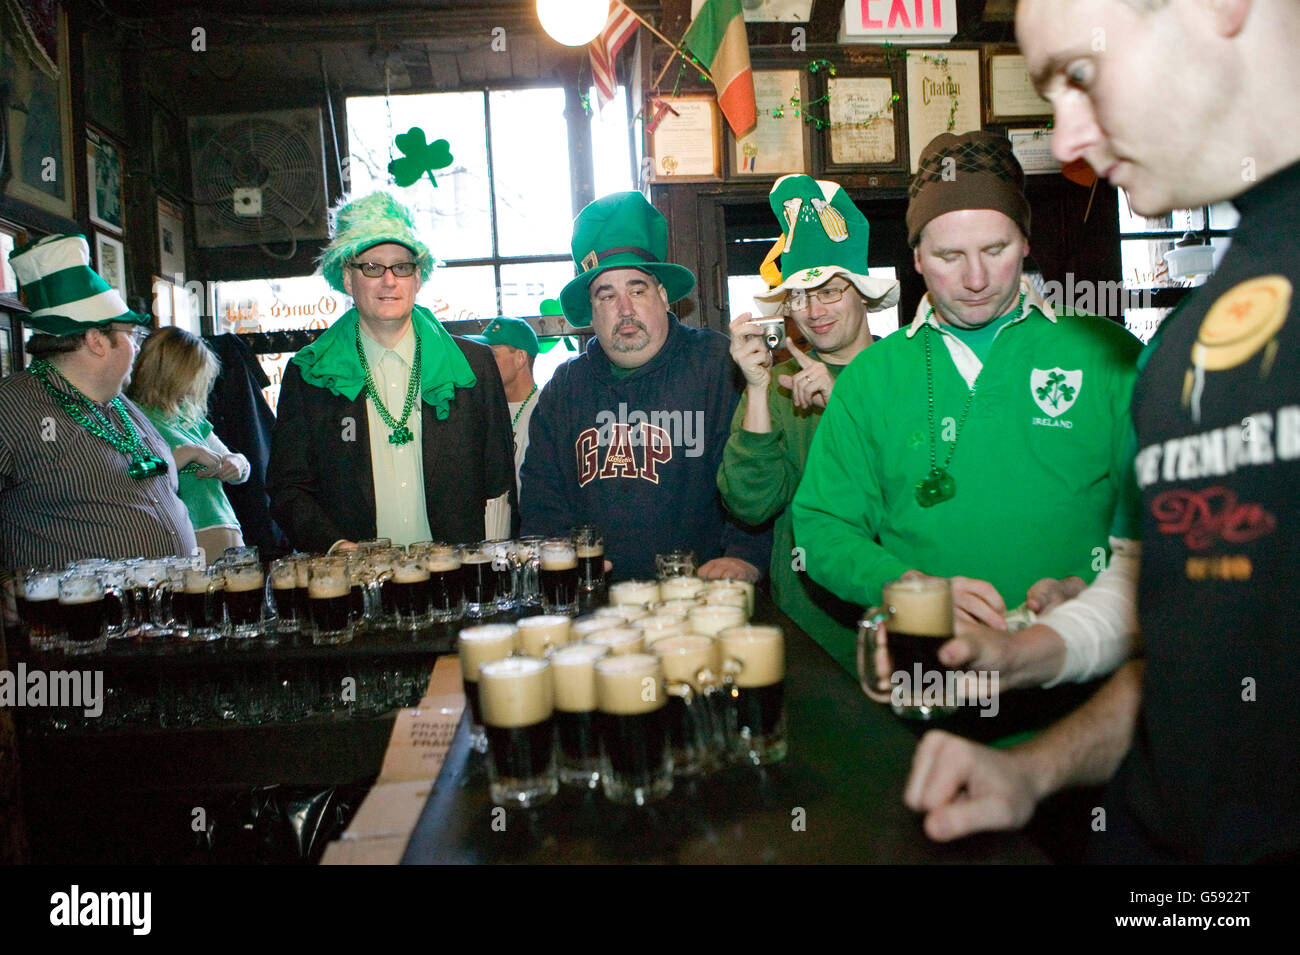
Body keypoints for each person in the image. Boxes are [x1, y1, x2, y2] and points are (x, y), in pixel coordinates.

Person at [903, 0, 1300, 864]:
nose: (1070, 142)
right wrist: (1034, 766)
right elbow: (1194, 653)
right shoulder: (1184, 350)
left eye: (1079, 76)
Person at [791, 130, 1141, 663]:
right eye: (950, 255)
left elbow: (1171, 523)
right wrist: (906, 588)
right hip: (930, 682)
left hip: (1080, 682)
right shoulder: (871, 378)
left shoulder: (1108, 356)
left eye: (995, 249)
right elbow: (821, 526)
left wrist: (1092, 590)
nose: (976, 278)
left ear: (1026, 243)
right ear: (916, 258)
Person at [519, 191, 769, 581]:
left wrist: (745, 556)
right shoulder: (565, 389)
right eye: (607, 295)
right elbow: (541, 502)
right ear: (591, 311)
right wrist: (559, 557)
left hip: (701, 602)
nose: (625, 309)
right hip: (596, 609)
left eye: (637, 289)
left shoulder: (718, 365)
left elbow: (757, 476)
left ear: (663, 296)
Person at [718, 174, 900, 672]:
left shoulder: (908, 368)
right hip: (804, 632)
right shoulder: (777, 385)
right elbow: (751, 504)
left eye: (830, 291)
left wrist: (843, 402)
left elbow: (923, 489)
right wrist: (756, 387)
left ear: (862, 293)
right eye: (799, 296)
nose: (813, 311)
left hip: (901, 625)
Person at [267, 192, 517, 552]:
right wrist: (336, 546)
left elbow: (500, 485)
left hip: (459, 582)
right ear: (348, 279)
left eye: (401, 266)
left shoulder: (474, 366)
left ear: (418, 278)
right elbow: (287, 488)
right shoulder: (309, 375)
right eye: (372, 267)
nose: (389, 281)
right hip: (356, 587)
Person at [0, 234, 197, 568]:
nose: (137, 348)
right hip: (79, 614)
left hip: (165, 609)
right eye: (130, 336)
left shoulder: (122, 404)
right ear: (96, 341)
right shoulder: (13, 406)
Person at [127, 326, 252, 561]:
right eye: (189, 379)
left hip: (227, 530)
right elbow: (136, 472)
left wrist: (237, 463)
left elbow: (238, 466)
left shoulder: (188, 415)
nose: (193, 389)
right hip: (183, 537)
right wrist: (189, 453)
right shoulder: (133, 416)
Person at [470, 317, 540, 493]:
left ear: (520, 358)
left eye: (492, 355)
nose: (483, 362)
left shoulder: (547, 410)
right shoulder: (485, 409)